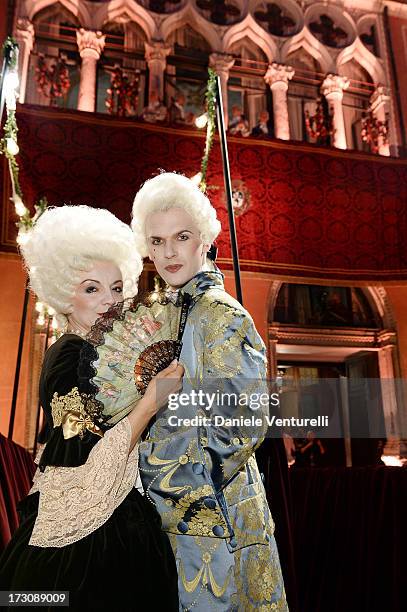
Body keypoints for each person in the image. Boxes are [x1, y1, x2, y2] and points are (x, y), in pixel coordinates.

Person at [0, 205, 182, 610]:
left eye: (117, 288)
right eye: (91, 288)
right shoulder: (68, 355)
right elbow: (86, 460)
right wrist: (152, 401)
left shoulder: (96, 355)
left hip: (121, 516)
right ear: (65, 295)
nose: (109, 302)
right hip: (85, 542)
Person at [131, 173, 288, 610]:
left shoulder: (219, 314)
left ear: (205, 239)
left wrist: (151, 470)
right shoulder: (168, 314)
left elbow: (241, 425)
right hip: (177, 516)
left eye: (181, 237)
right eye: (157, 241)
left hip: (219, 512)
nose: (169, 253)